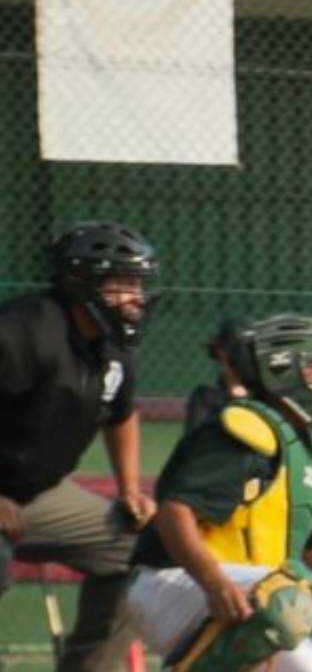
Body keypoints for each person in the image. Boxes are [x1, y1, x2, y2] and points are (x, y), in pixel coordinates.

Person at [124, 313, 312, 670]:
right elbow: (173, 512)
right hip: (171, 581)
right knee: (291, 592)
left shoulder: (305, 449)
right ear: (283, 371)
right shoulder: (245, 430)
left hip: (250, 595)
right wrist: (214, 582)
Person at [0, 221, 159, 670]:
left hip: (39, 492)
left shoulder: (115, 342)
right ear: (81, 283)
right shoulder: (20, 333)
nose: (137, 298)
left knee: (138, 547)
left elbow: (122, 414)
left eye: (140, 285)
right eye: (123, 284)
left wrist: (129, 488)